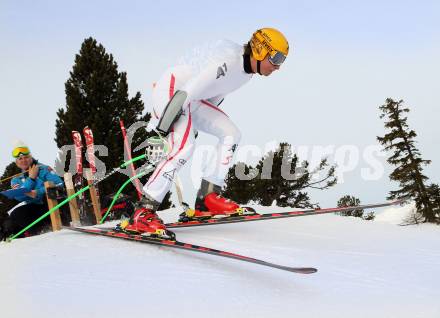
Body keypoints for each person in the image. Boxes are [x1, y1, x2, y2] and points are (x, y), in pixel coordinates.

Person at [120, 28, 289, 237]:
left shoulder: (246, 74)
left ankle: (208, 198)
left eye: (282, 60)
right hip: (173, 92)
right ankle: (143, 211)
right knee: (185, 145)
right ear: (261, 50)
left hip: (193, 100)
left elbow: (213, 97)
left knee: (231, 133)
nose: (278, 66)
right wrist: (162, 131)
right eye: (277, 58)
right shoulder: (227, 61)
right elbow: (186, 92)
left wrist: (198, 123)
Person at [0, 141, 64, 240]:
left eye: (26, 157)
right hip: (35, 207)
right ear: (17, 163)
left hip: (51, 203)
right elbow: (19, 196)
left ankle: (56, 224)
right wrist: (31, 178)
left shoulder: (43, 169)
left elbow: (59, 183)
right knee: (17, 213)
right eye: (20, 159)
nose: (23, 160)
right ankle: (38, 232)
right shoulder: (16, 179)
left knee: (49, 197)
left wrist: (38, 192)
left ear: (31, 157)